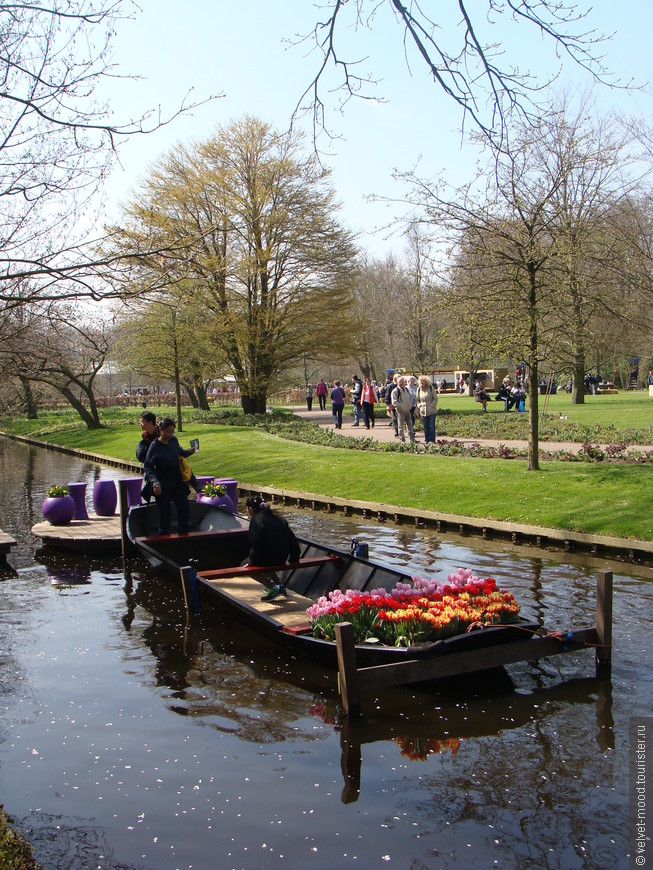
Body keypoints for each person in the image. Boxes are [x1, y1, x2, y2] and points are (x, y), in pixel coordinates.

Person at [143, 417, 196, 536]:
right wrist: (155, 483)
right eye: (168, 431)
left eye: (172, 431)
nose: (170, 434)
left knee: (184, 507)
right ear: (160, 430)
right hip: (162, 484)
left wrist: (189, 451)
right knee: (165, 512)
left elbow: (180, 452)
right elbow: (148, 467)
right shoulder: (154, 446)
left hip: (176, 482)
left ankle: (183, 534)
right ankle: (164, 536)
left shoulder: (173, 441)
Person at [243, 495, 301, 601]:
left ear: (250, 509)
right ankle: (280, 586)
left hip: (269, 559)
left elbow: (256, 544)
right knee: (265, 559)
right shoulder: (279, 519)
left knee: (245, 565)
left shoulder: (256, 521)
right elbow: (292, 540)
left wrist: (251, 563)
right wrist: (294, 558)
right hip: (281, 558)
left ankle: (272, 587)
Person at [390, 376, 415, 443]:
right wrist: (400, 407)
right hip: (400, 412)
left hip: (407, 411)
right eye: (399, 382)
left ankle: (412, 439)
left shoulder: (406, 390)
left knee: (410, 426)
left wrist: (410, 405)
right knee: (400, 427)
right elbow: (394, 402)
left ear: (404, 382)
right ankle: (402, 440)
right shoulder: (395, 391)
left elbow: (410, 398)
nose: (400, 383)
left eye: (402, 382)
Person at [417, 375, 438, 443]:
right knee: (426, 426)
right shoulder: (419, 389)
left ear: (426, 382)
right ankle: (426, 439)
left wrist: (431, 406)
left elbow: (435, 399)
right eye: (420, 382)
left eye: (422, 382)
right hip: (423, 411)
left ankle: (432, 440)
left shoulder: (431, 388)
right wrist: (419, 405)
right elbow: (417, 400)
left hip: (431, 411)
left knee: (431, 426)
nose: (421, 384)